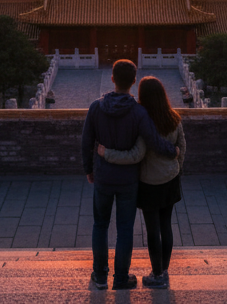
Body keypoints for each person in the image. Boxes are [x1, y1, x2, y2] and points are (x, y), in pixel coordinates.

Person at [82, 60, 179, 291]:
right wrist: (172, 151)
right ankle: (121, 277)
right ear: (134, 81)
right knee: (125, 228)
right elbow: (154, 141)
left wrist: (89, 169)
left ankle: (100, 276)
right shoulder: (138, 111)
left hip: (103, 176)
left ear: (112, 78)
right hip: (128, 180)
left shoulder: (96, 107)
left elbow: (86, 142)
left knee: (100, 224)